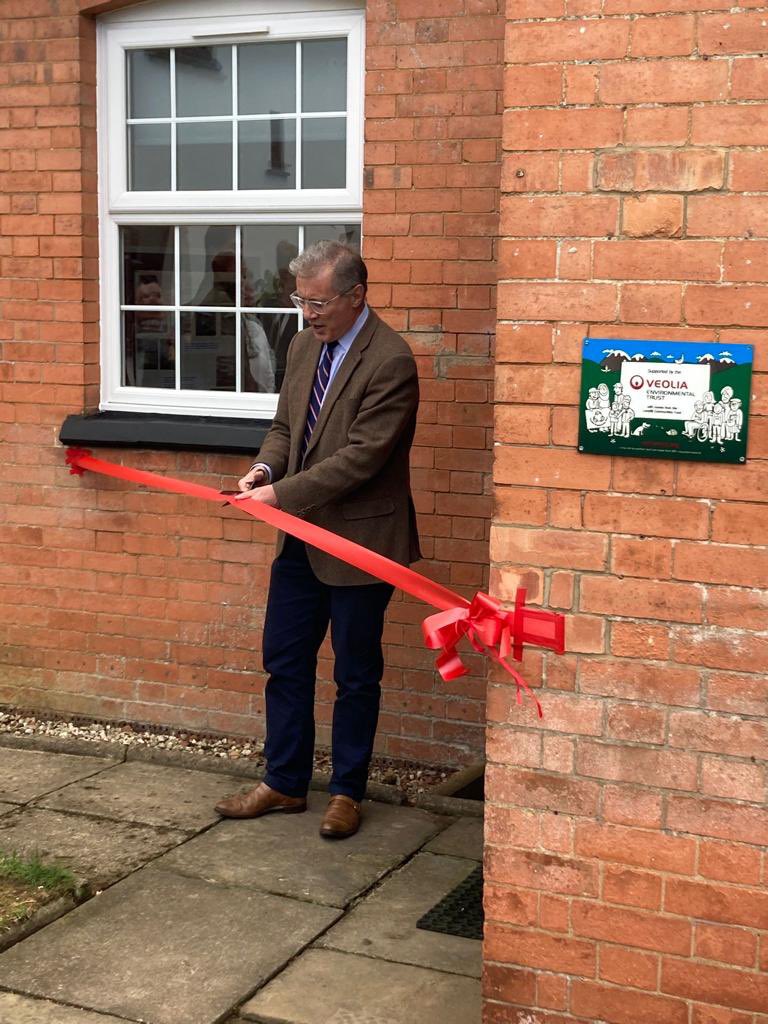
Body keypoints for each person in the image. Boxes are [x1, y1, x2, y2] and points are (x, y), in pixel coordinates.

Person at [214, 240, 421, 839]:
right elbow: (286, 429)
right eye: (300, 299)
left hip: (360, 541)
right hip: (299, 540)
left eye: (318, 301)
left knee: (355, 672)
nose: (307, 313)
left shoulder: (391, 360)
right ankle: (283, 782)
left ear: (357, 296)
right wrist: (264, 472)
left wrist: (282, 496)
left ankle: (347, 793)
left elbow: (363, 458)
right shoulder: (304, 345)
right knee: (284, 660)